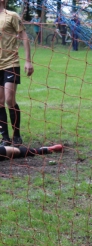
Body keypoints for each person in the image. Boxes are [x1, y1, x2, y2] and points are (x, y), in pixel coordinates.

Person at [0, 0, 34, 147]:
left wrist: (28, 61)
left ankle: (17, 135)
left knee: (9, 99)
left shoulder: (12, 16)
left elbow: (24, 37)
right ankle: (5, 138)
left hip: (11, 63)